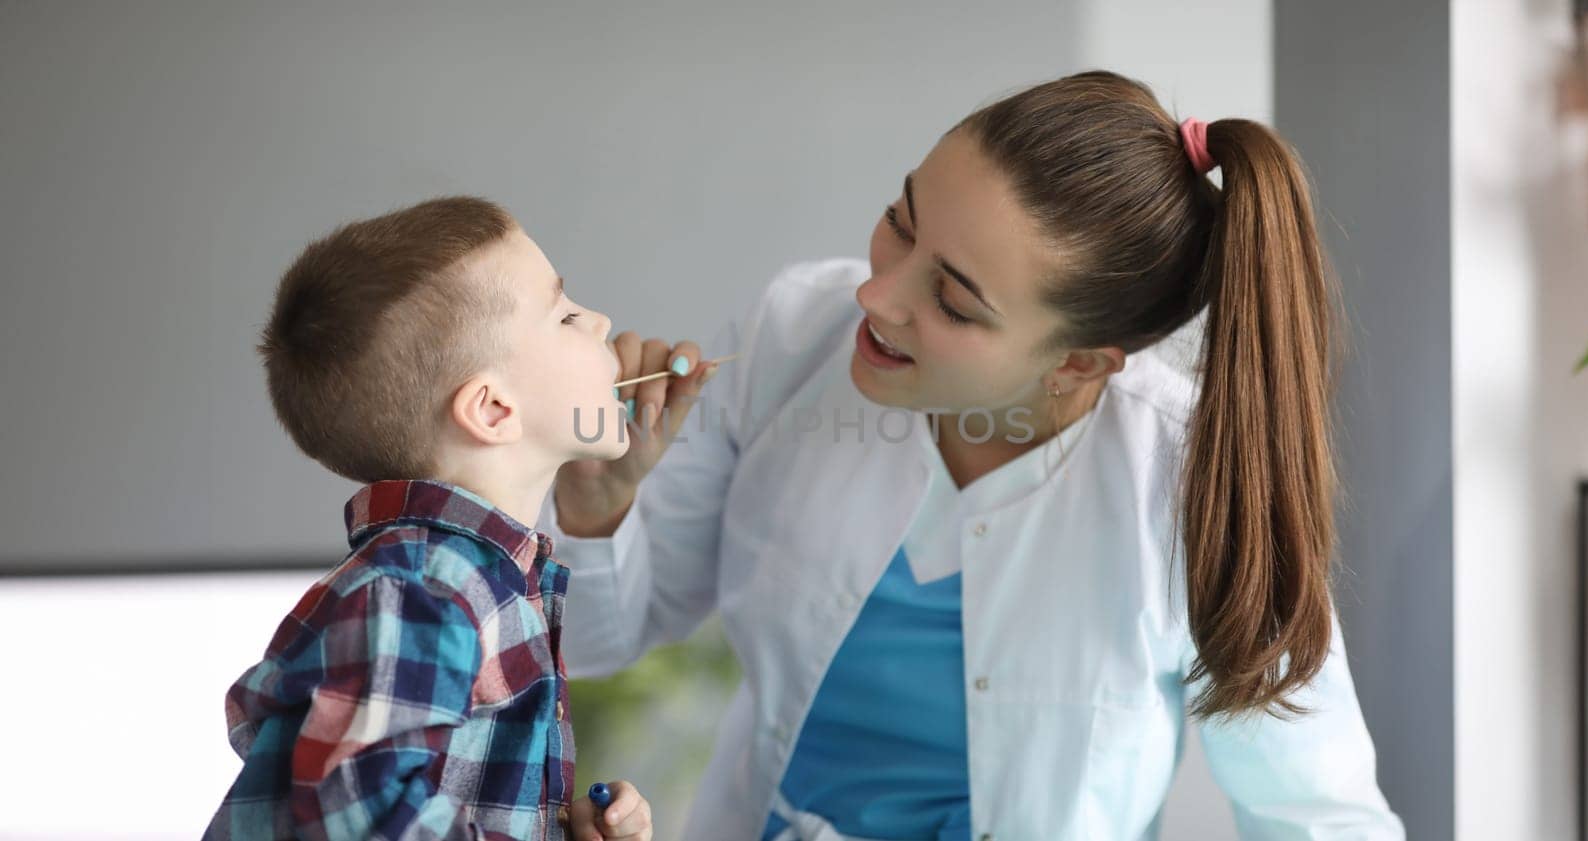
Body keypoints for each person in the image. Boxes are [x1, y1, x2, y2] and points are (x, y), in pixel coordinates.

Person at [542, 71, 1406, 839]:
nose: (874, 294)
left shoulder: (1194, 486)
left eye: (952, 301)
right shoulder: (792, 335)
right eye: (899, 221)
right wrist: (597, 505)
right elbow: (591, 640)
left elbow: (1318, 815)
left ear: (1079, 363)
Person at [204, 197, 673, 841]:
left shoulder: (475, 578)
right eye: (565, 315)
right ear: (493, 409)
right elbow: (362, 814)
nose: (600, 321)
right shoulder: (422, 587)